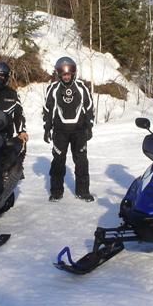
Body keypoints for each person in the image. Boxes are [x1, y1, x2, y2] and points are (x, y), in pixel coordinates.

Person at [43, 56, 95, 202]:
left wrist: (89, 126)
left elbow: (89, 107)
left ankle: (83, 191)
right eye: (63, 74)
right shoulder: (53, 88)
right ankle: (56, 191)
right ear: (59, 74)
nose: (66, 77)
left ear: (73, 73)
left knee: (81, 162)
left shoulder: (81, 87)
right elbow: (47, 109)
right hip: (60, 132)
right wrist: (47, 128)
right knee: (58, 161)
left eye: (68, 74)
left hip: (79, 132)